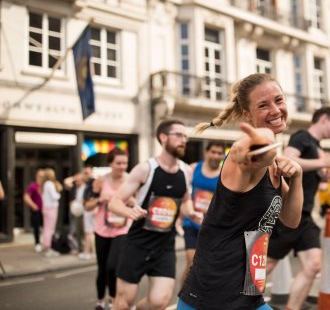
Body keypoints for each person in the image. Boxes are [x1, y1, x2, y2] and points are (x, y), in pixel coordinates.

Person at [178, 73, 303, 310]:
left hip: (247, 293)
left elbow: (291, 219)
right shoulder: (247, 156)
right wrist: (259, 144)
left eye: (279, 100)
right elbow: (258, 146)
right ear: (248, 114)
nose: (275, 110)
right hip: (213, 298)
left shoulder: (276, 163)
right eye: (263, 105)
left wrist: (296, 177)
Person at [109, 120, 203, 310]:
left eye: (185, 136)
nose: (183, 140)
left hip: (165, 245)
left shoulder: (187, 172)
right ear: (163, 137)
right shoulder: (146, 169)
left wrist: (191, 213)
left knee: (159, 301)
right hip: (138, 243)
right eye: (178, 135)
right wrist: (128, 211)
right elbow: (114, 202)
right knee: (123, 303)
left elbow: (184, 201)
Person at [266, 106, 330, 310]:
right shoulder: (303, 137)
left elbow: (307, 170)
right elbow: (288, 160)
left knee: (313, 265)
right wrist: (323, 162)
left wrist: (322, 172)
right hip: (286, 213)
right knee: (265, 266)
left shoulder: (316, 145)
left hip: (305, 215)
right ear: (324, 119)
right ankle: (227, 300)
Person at [84, 148, 132, 310]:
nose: (122, 166)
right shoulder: (100, 181)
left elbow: (138, 203)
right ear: (110, 163)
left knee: (112, 267)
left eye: (125, 163)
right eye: (118, 163)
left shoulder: (131, 180)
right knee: (102, 268)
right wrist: (99, 200)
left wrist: (131, 201)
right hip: (102, 230)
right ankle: (100, 301)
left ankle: (113, 300)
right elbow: (87, 206)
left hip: (122, 230)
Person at [181, 141, 225, 283]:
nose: (216, 156)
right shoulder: (194, 168)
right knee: (192, 263)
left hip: (211, 226)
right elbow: (184, 194)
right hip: (191, 223)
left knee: (206, 267)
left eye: (219, 153)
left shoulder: (225, 174)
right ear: (207, 152)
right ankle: (182, 297)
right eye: (213, 152)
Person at [41, 168, 62, 256]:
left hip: (46, 208)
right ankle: (49, 247)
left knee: (46, 228)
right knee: (50, 229)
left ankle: (46, 245)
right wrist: (59, 194)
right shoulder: (50, 184)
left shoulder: (44, 184)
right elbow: (54, 196)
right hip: (51, 208)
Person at [23, 169, 45, 252]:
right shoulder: (33, 186)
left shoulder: (46, 185)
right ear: (36, 176)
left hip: (45, 210)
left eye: (43, 176)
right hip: (36, 210)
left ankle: (46, 243)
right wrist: (33, 205)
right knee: (36, 227)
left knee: (45, 228)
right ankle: (37, 243)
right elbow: (26, 196)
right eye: (40, 175)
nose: (41, 177)